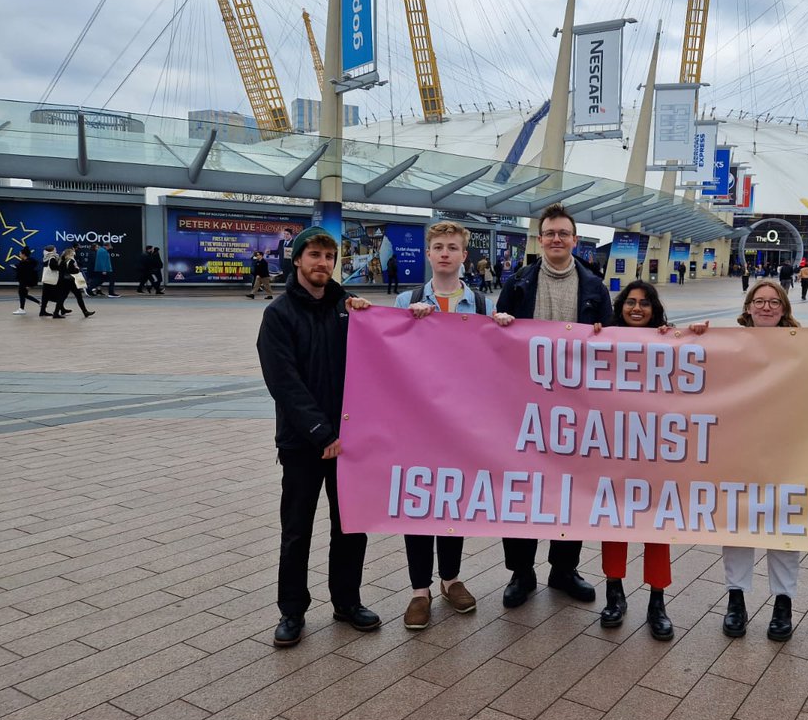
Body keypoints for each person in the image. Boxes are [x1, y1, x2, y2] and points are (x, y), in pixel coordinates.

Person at [256, 226, 380, 647]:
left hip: (349, 443)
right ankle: (292, 611)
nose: (323, 263)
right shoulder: (278, 315)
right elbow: (283, 382)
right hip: (302, 443)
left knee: (351, 526)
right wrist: (319, 431)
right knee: (297, 529)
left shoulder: (350, 309)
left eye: (329, 257)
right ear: (297, 260)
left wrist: (374, 318)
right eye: (315, 256)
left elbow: (382, 360)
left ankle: (346, 601)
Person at [495, 203, 612, 608]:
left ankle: (564, 568)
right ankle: (521, 572)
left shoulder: (595, 286)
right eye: (550, 233)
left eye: (564, 233)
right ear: (540, 239)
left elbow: (615, 346)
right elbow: (494, 340)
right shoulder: (520, 282)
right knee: (522, 486)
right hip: (525, 404)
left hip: (576, 406)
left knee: (571, 487)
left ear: (575, 240)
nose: (557, 239)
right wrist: (501, 324)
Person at [395, 221, 507, 629]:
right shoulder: (406, 300)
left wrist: (505, 329)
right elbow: (385, 353)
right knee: (419, 502)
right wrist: (404, 321)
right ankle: (419, 590)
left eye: (452, 247)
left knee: (453, 500)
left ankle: (451, 578)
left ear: (464, 256)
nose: (445, 253)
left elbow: (494, 360)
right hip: (417, 424)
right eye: (438, 246)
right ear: (428, 254)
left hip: (460, 424)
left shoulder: (478, 304)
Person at [723, 279, 808, 641]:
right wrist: (691, 335)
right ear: (748, 307)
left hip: (787, 451)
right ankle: (736, 600)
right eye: (760, 301)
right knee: (737, 526)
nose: (766, 307)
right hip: (741, 449)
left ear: (785, 308)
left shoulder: (802, 345)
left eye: (774, 302)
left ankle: (782, 603)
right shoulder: (729, 344)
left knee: (784, 529)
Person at [592, 280, 681, 641]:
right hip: (615, 449)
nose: (637, 309)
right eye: (630, 302)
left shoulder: (669, 340)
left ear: (655, 309)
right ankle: (614, 593)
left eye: (645, 303)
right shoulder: (605, 339)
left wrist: (688, 335)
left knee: (656, 528)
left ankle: (657, 601)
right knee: (614, 524)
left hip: (656, 450)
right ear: (620, 306)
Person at [54, 248, 96, 318]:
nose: (74, 253)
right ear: (70, 254)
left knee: (62, 297)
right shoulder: (71, 261)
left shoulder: (61, 261)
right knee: (79, 297)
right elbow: (72, 271)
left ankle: (56, 312)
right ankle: (85, 312)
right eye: (73, 252)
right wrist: (77, 269)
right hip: (71, 281)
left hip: (63, 281)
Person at [13, 247, 40, 315]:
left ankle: (22, 309)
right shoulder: (27, 262)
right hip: (24, 281)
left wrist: (29, 284)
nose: (19, 255)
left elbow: (26, 273)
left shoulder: (26, 263)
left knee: (22, 294)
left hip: (24, 281)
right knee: (24, 294)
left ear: (24, 254)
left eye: (20, 254)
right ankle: (39, 303)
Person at [38, 246, 61, 318]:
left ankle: (42, 311)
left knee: (45, 296)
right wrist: (60, 267)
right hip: (51, 280)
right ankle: (58, 311)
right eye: (55, 249)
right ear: (52, 250)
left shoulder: (46, 257)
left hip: (46, 279)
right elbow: (53, 267)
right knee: (59, 296)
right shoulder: (52, 257)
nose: (56, 250)